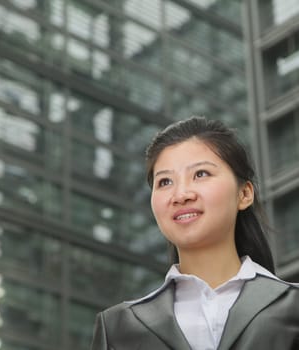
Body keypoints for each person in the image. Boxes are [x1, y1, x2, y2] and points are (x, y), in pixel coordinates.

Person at [90, 116, 299, 350]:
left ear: (244, 194)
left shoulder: (292, 305)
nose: (181, 195)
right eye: (165, 182)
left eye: (200, 174)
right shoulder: (119, 327)